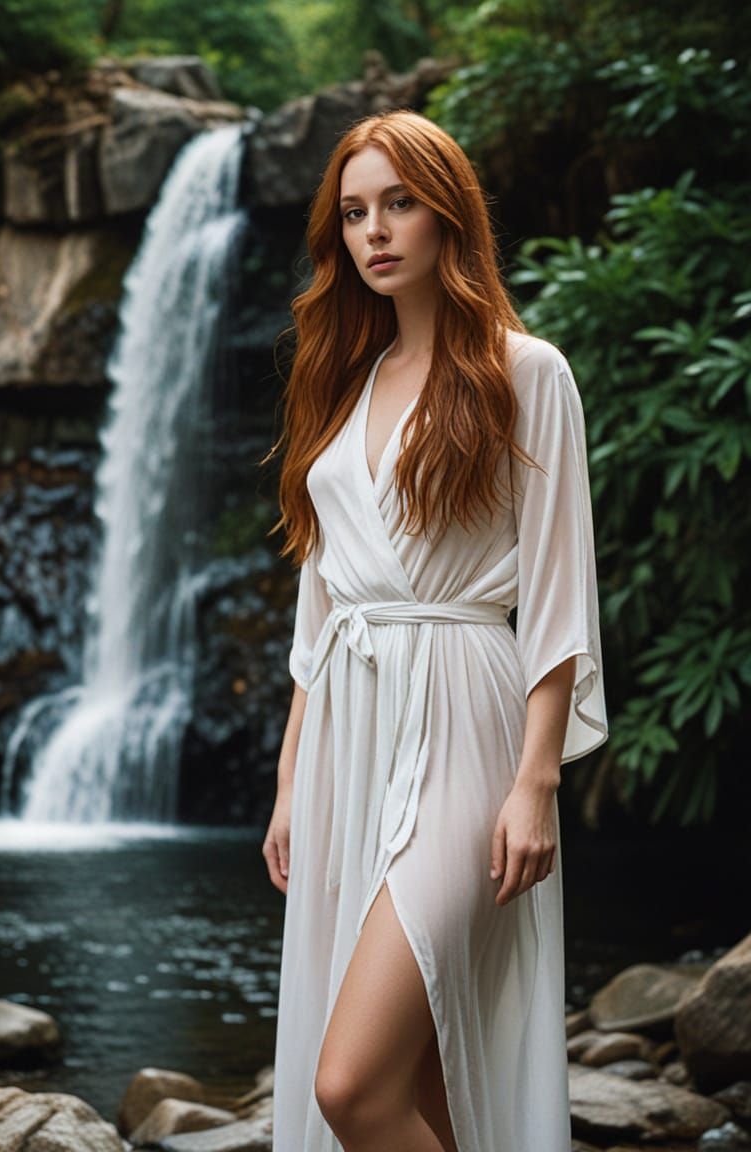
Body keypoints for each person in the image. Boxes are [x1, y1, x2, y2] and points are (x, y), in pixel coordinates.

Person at [260, 108, 608, 1152]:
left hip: (465, 717)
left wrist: (536, 783)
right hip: (347, 736)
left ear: (448, 212)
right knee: (426, 1072)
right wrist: (289, 781)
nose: (374, 231)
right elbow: (322, 605)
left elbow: (558, 594)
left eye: (399, 203)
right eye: (354, 212)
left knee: (350, 1087)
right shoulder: (343, 380)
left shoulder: (526, 371)